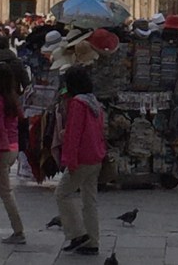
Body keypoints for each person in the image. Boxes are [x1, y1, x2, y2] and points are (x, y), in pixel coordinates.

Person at [55, 66, 105, 256]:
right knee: (89, 200)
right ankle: (93, 241)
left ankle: (78, 234)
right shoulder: (94, 103)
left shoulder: (77, 103)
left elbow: (75, 133)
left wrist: (69, 159)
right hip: (95, 157)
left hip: (82, 158)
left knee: (62, 194)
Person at [0, 63, 26, 244]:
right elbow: (20, 118)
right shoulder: (12, 98)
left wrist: (0, 145)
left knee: (4, 191)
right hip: (14, 147)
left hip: (2, 149)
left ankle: (19, 231)